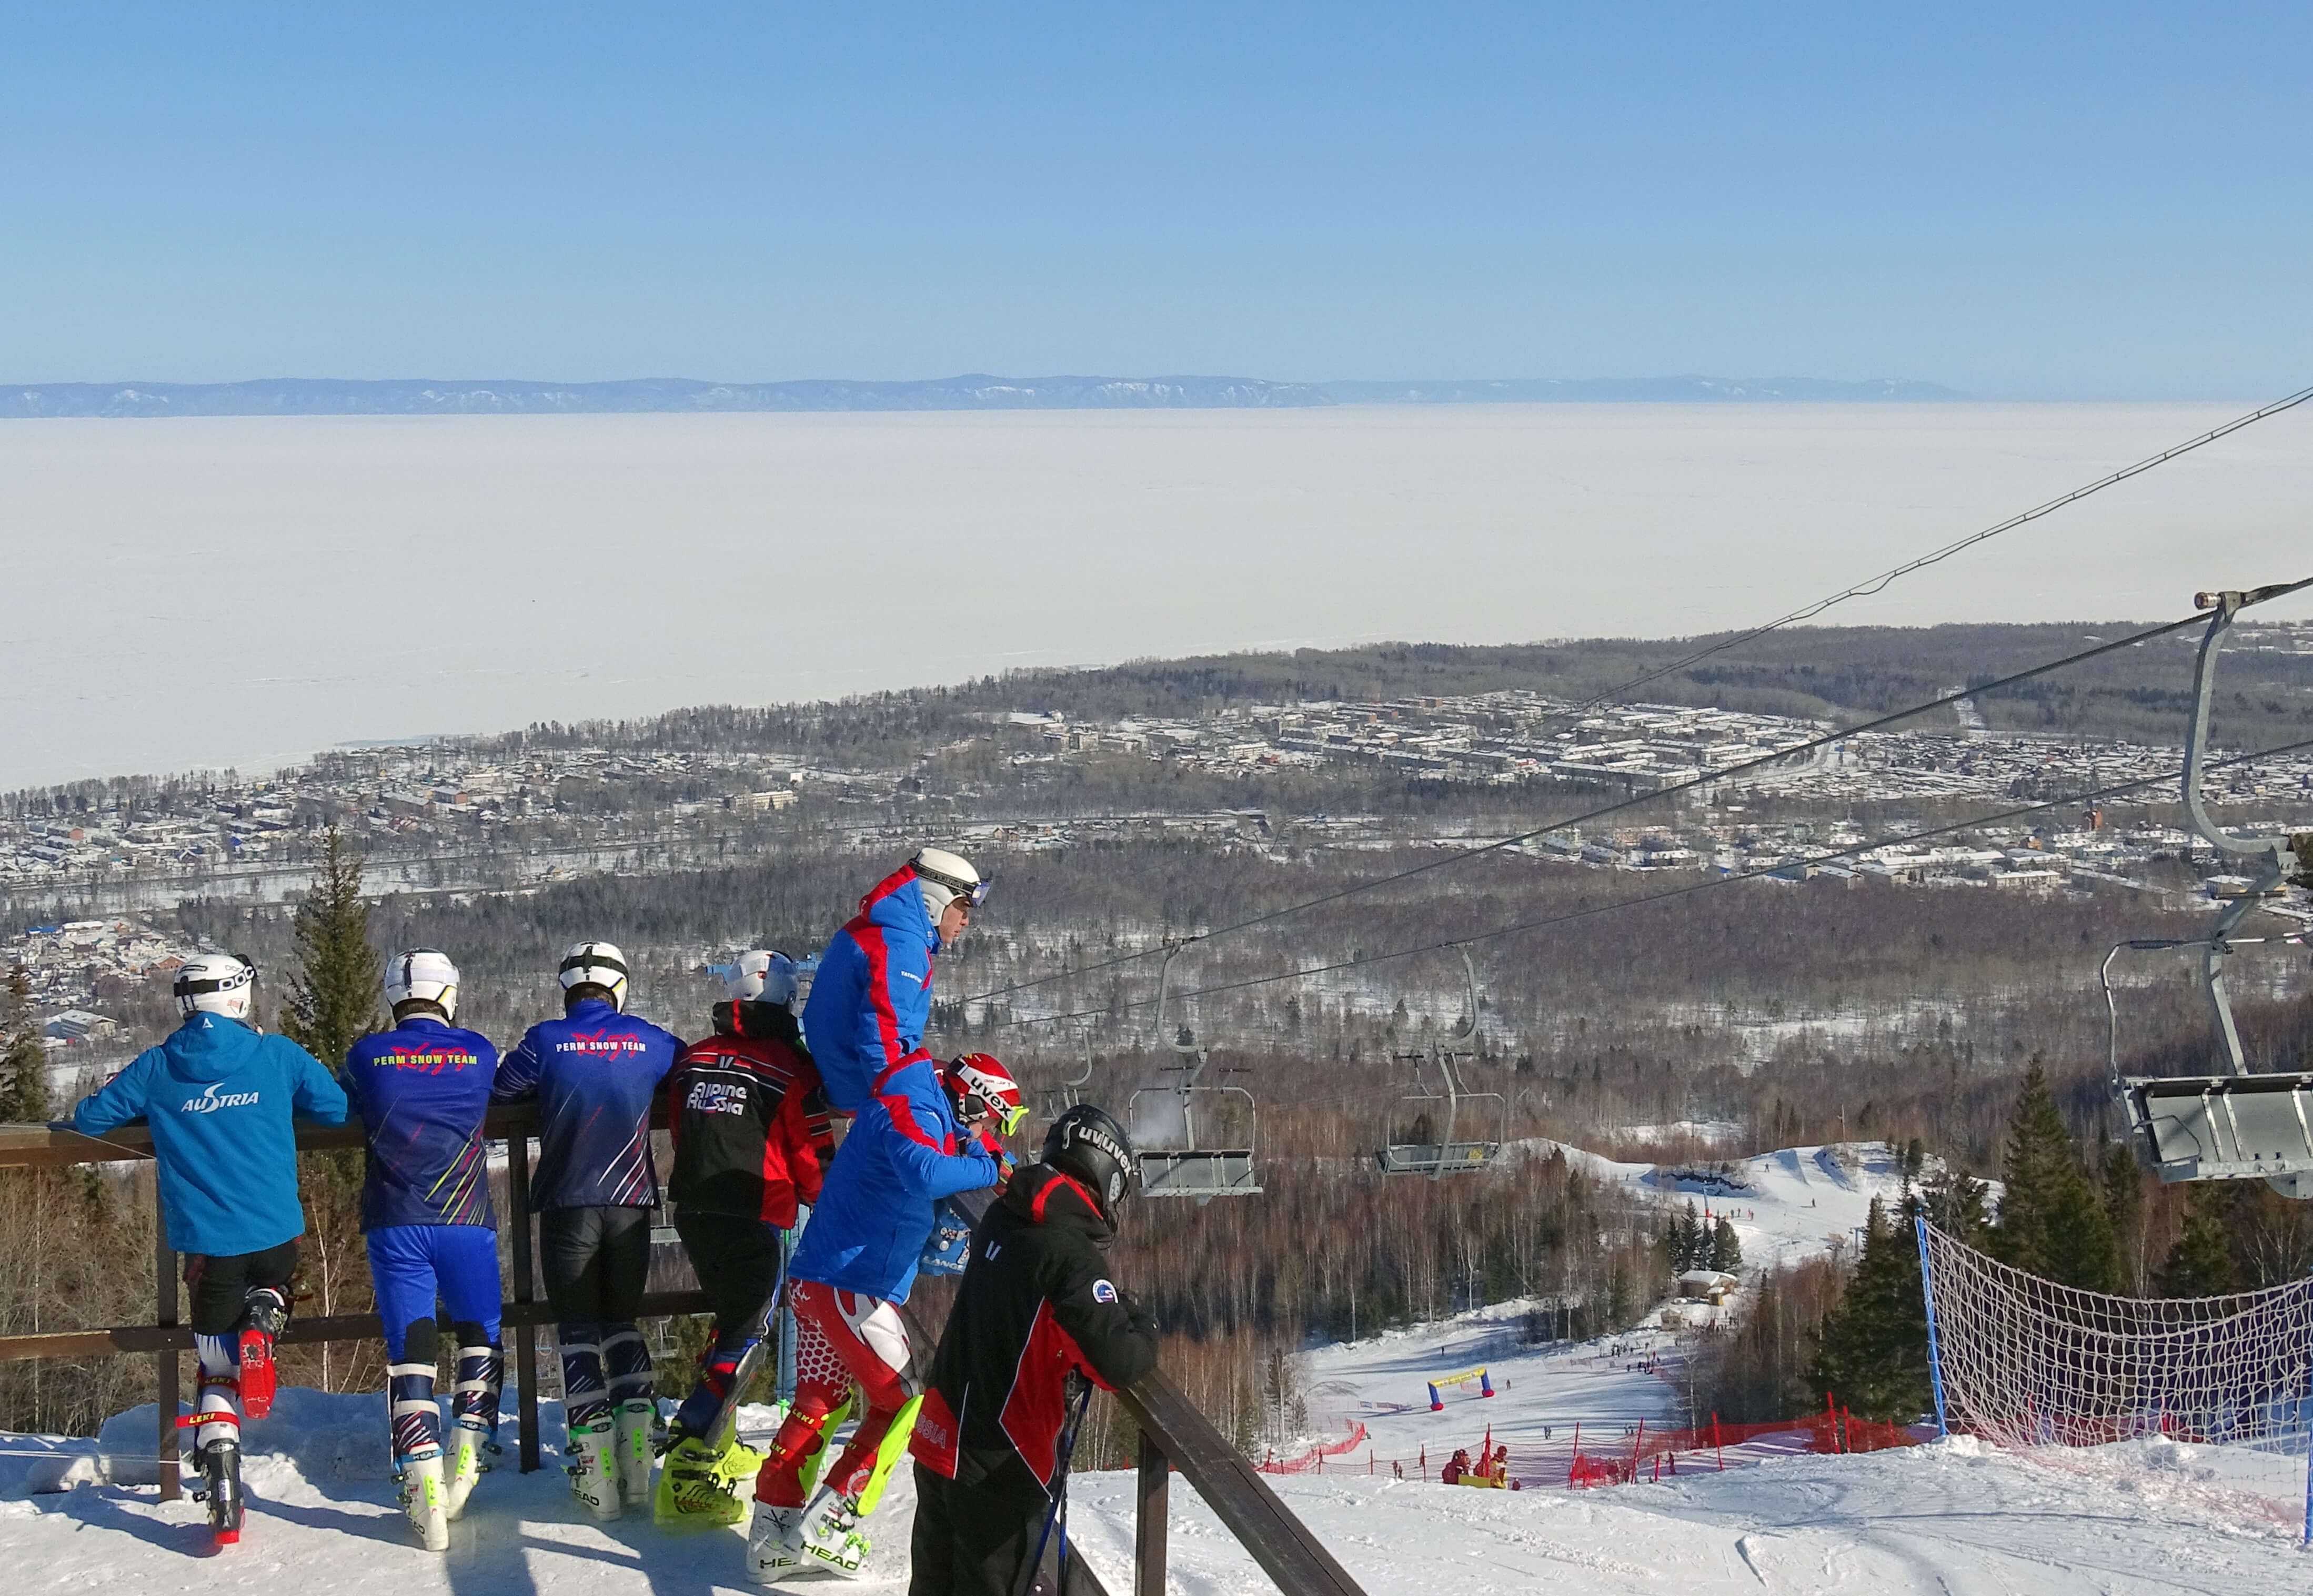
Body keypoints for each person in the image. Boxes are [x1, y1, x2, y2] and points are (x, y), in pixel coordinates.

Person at [70, 953, 348, 1544]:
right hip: (275, 1233)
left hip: (206, 1249)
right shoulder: (277, 1055)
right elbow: (336, 1108)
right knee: (274, 1282)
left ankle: (222, 1490)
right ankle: (266, 1317)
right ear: (240, 999)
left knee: (215, 1370)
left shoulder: (158, 1066)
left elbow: (90, 1119)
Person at [746, 1051, 1019, 1582]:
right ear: (971, 1099)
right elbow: (925, 1172)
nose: (989, 1127)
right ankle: (835, 1516)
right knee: (905, 1401)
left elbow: (953, 1145)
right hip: (855, 1284)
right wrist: (990, 1168)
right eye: (990, 1116)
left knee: (817, 1404)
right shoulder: (913, 1108)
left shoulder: (921, 1101)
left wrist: (986, 1149)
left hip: (821, 1277)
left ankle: (771, 1532)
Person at [908, 1104, 1158, 1596]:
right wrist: (1142, 1323)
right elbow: (1119, 1362)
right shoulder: (1068, 1254)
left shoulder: (1005, 1213)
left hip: (942, 1434)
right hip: (1000, 1463)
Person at [492, 940, 683, 1520]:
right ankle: (633, 1466)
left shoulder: (545, 1039)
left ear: (567, 987)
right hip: (630, 1201)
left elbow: (503, 1091)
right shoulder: (652, 1040)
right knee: (622, 1323)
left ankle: (592, 1468)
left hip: (566, 1198)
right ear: (620, 987)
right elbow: (688, 1074)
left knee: (575, 1327)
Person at [656, 949, 834, 1528]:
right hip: (755, 1210)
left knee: (732, 1321)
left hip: (695, 1207)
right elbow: (811, 1153)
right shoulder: (790, 1067)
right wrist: (828, 1200)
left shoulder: (695, 1059)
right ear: (787, 1001)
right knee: (748, 1334)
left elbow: (683, 1127)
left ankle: (717, 1438)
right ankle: (690, 1458)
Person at [341, 948, 504, 1550]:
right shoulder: (479, 1050)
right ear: (450, 995)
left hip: (395, 1219)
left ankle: (422, 1485)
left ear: (392, 997)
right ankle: (466, 1465)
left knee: (410, 1350)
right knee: (480, 1337)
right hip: (466, 1217)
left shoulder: (367, 1055)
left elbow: (341, 1102)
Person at [801, 848, 985, 1114]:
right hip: (862, 1092)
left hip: (841, 1078)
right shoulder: (901, 949)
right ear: (934, 903)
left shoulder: (876, 928)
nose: (966, 922)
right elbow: (881, 1037)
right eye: (963, 908)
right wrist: (900, 1108)